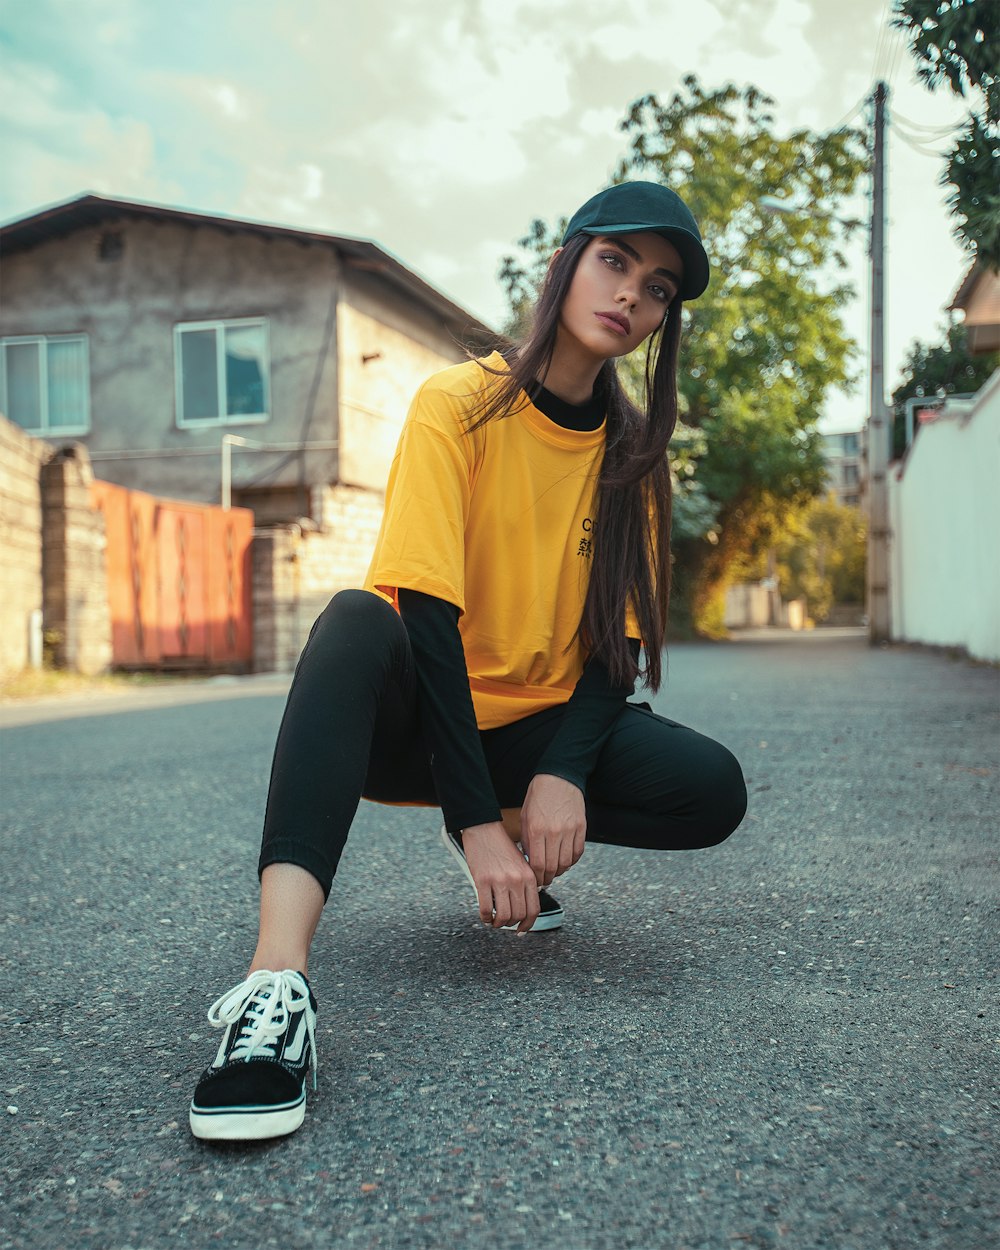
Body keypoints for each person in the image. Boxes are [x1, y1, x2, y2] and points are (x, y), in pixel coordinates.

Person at [188, 181, 748, 1142]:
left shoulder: (632, 458)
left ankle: (508, 802)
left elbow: (612, 655)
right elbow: (429, 623)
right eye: (615, 261)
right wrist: (475, 825)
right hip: (414, 732)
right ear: (567, 263)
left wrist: (561, 776)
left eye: (658, 288)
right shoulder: (461, 403)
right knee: (358, 620)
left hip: (533, 728)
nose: (631, 296)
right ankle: (272, 992)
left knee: (713, 789)